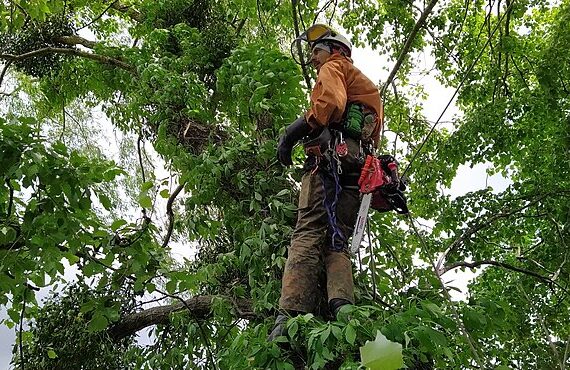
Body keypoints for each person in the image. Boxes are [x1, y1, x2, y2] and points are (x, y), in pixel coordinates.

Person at [270, 24, 383, 340]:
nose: (313, 60)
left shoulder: (335, 67)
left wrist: (293, 132)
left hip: (330, 162)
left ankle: (288, 316)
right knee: (337, 237)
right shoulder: (365, 88)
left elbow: (329, 102)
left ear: (335, 50)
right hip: (357, 168)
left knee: (308, 230)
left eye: (316, 52)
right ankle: (343, 308)